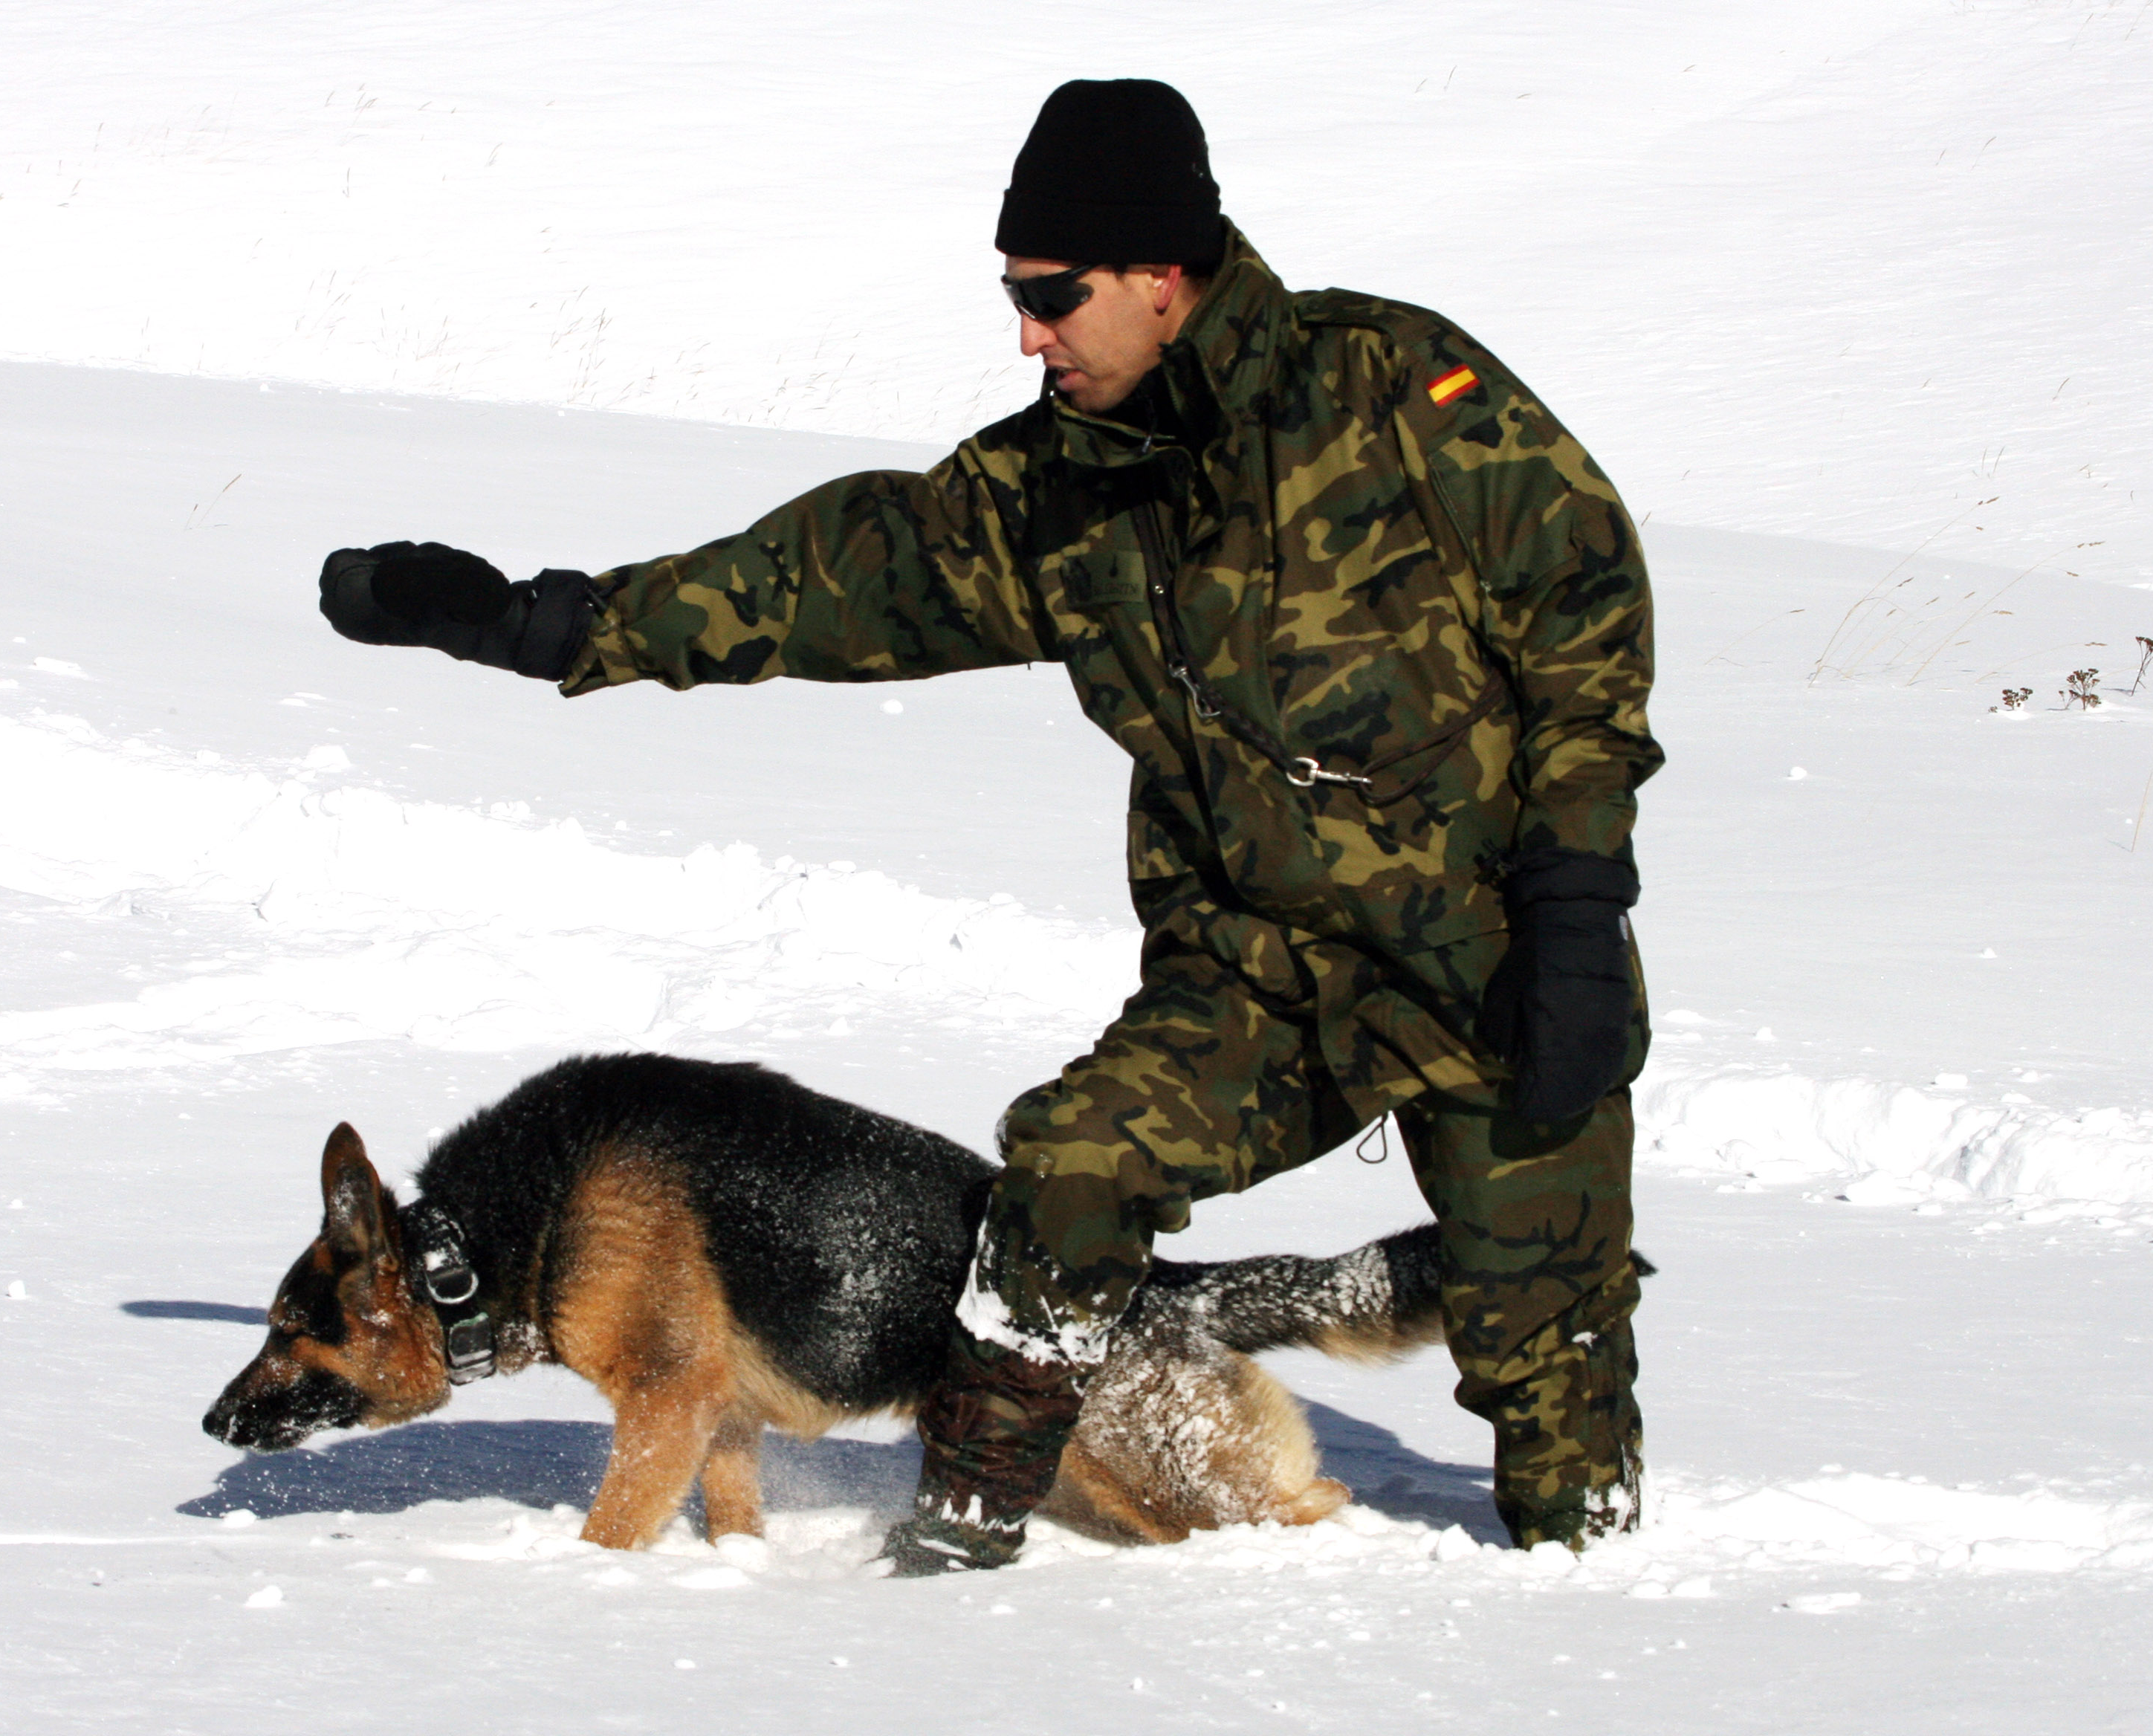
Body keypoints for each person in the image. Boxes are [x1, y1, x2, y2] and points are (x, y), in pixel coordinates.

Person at [317, 78, 1661, 1573]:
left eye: (1052, 295)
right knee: (1067, 1174)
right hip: (1257, 981)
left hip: (1492, 955)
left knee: (1555, 1393)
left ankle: (1596, 1592)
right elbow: (827, 577)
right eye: (1014, 295)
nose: (1029, 334)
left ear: (1162, 274)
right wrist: (549, 624)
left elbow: (1584, 615)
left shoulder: (1395, 390)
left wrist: (1575, 900)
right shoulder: (1056, 489)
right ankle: (964, 1533)